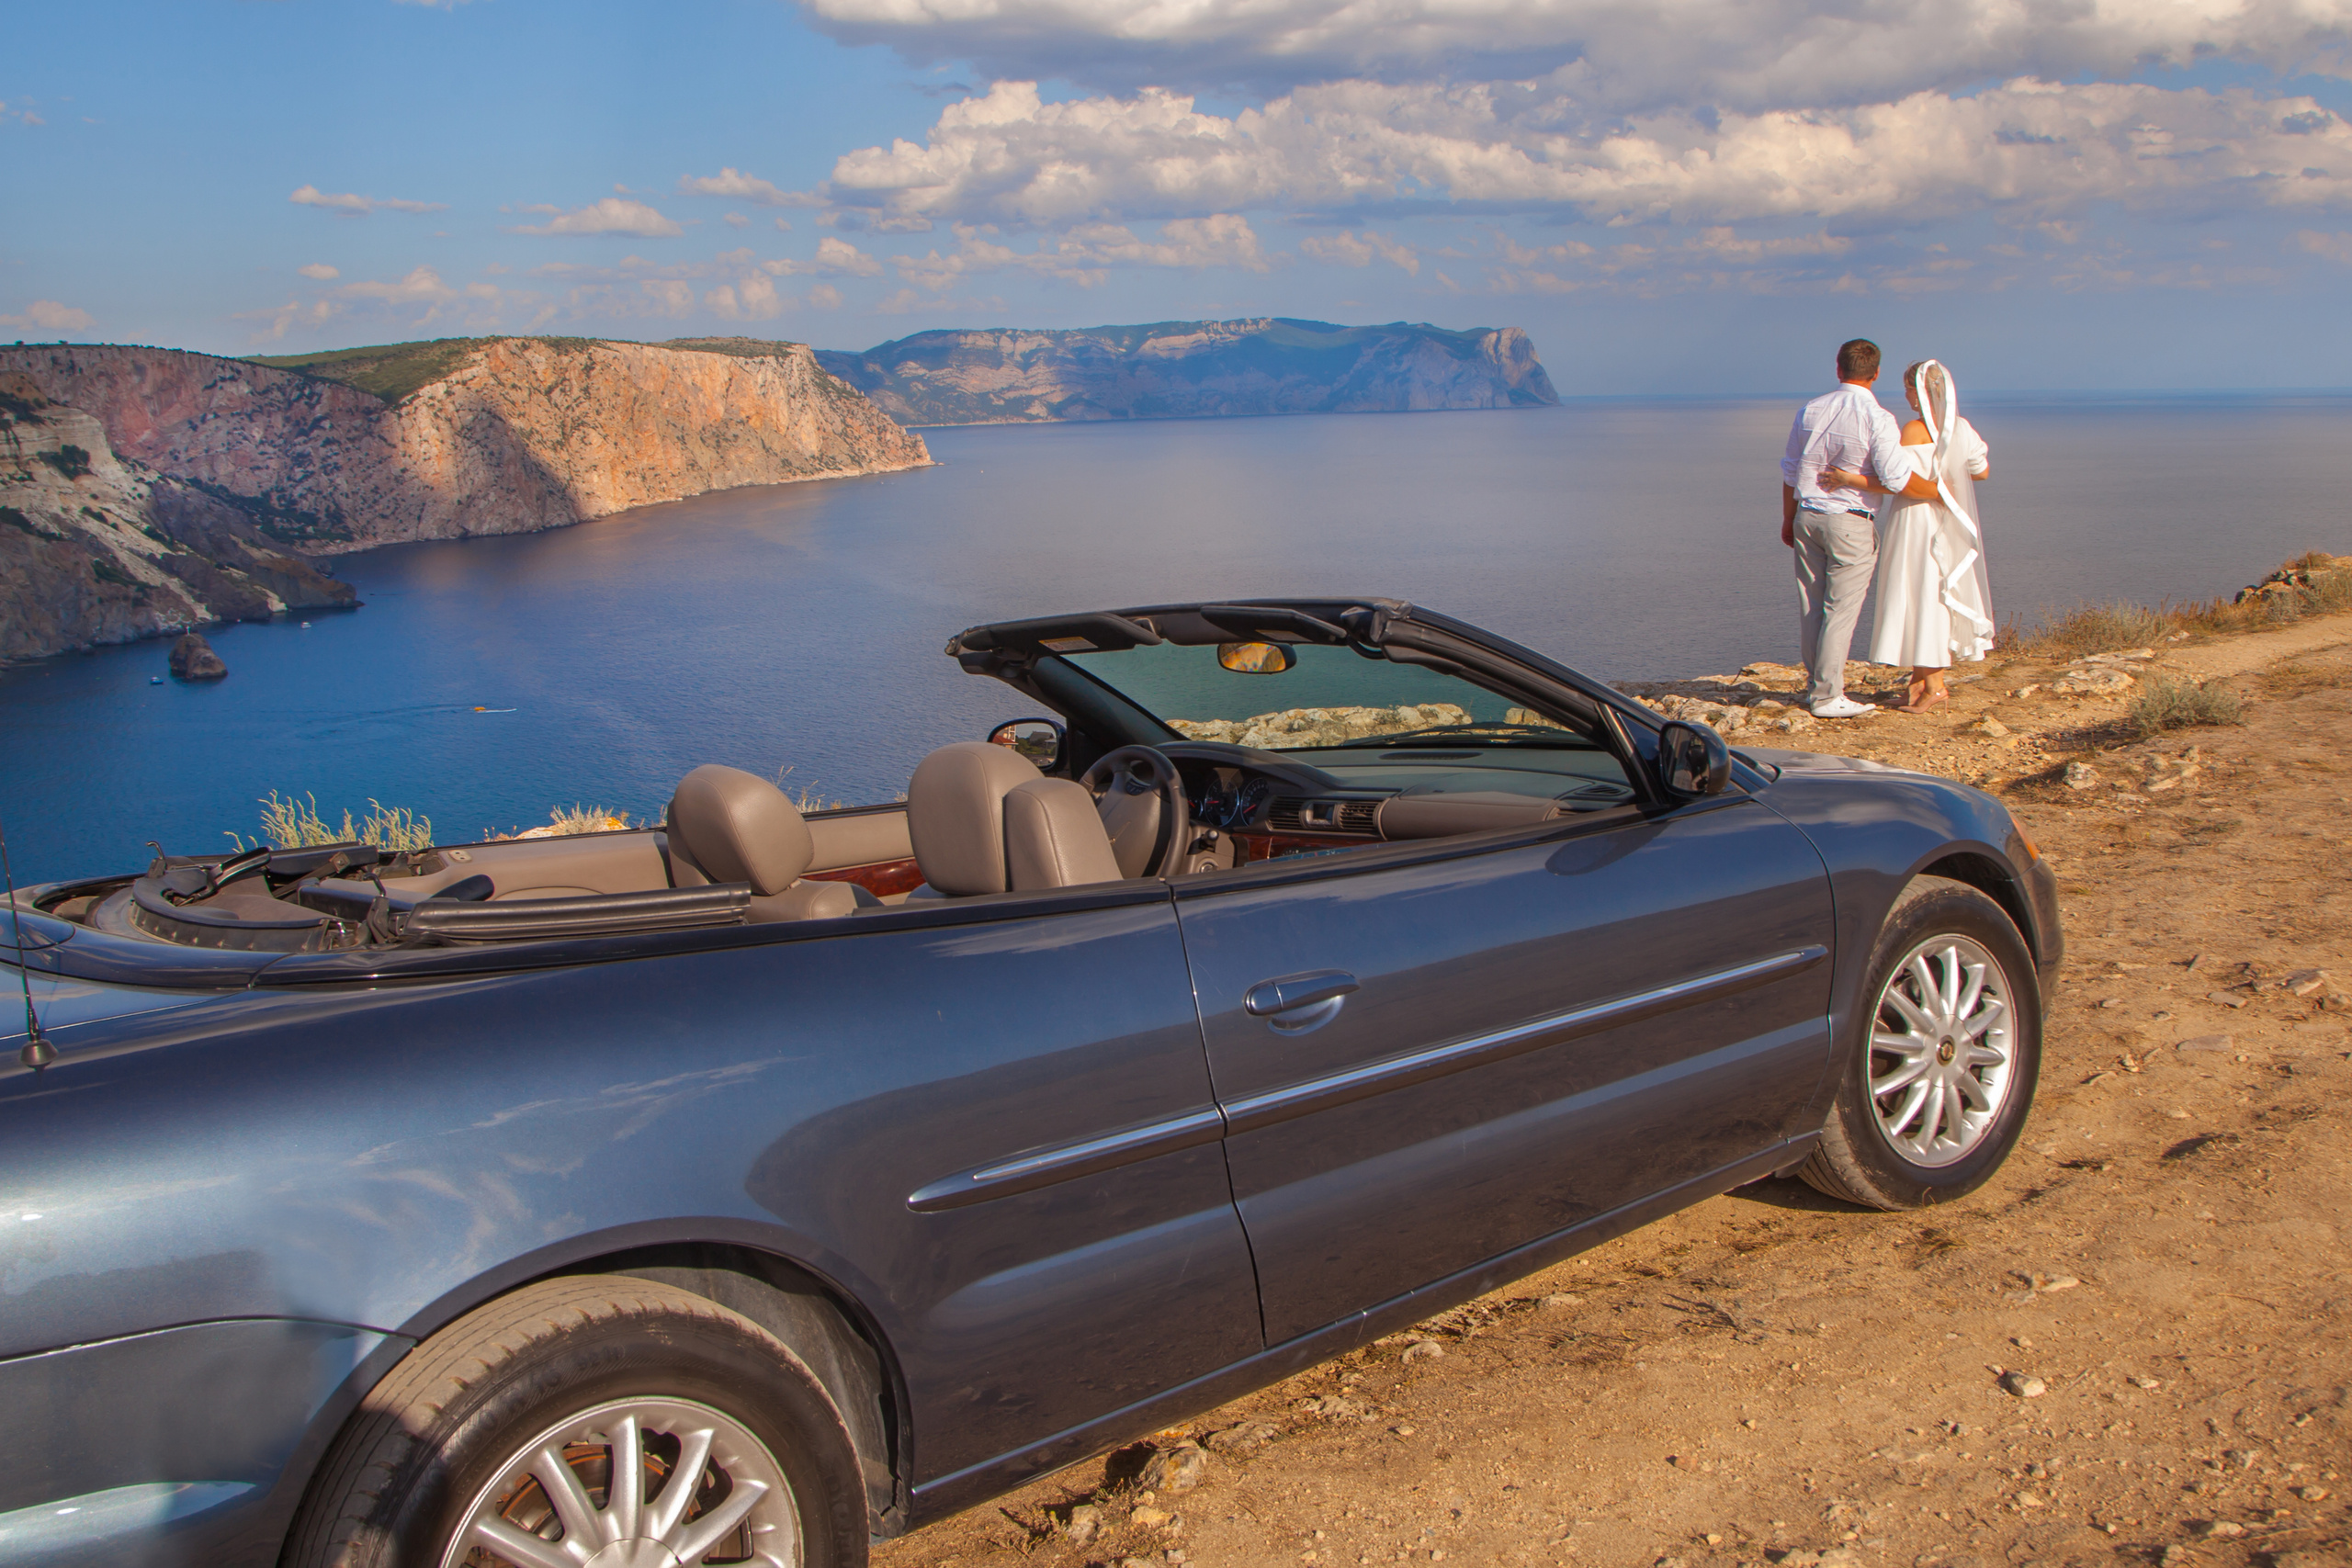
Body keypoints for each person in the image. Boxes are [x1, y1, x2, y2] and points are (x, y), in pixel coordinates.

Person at [1779, 340, 1941, 717]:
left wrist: (1788, 518)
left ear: (1838, 369)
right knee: (1841, 610)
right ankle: (1827, 697)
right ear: (1876, 373)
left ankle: (1815, 687)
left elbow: (1790, 470)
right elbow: (1897, 477)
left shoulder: (1810, 410)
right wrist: (1940, 492)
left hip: (1807, 513)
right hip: (1850, 522)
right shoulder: (1878, 417)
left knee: (1812, 607)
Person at [1824, 358, 1994, 714]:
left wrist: (1847, 479)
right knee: (1932, 590)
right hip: (1947, 519)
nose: (1906, 396)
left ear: (1917, 393)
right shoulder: (1961, 428)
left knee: (1918, 591)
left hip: (1916, 521)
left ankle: (1935, 686)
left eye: (1908, 389)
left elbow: (1895, 480)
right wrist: (1949, 479)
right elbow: (1981, 471)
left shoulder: (1914, 430)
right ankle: (1919, 683)